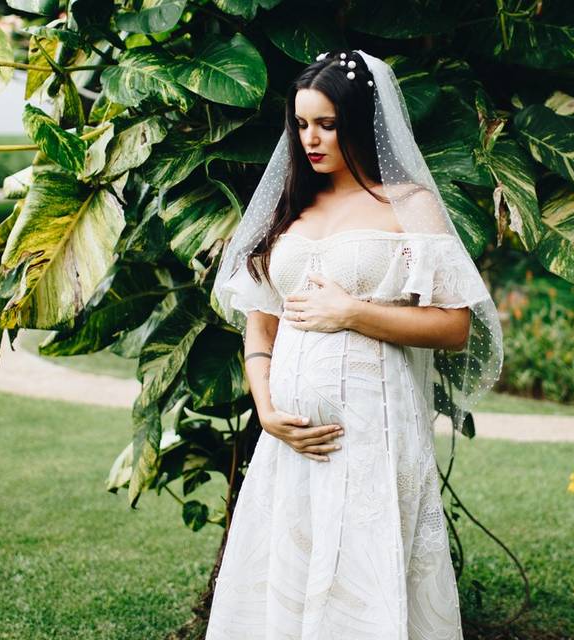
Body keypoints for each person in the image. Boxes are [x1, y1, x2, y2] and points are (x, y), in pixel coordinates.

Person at [209, 49, 503, 639]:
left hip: (375, 432)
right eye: (300, 124)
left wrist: (353, 311)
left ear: (361, 122)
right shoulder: (292, 208)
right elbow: (262, 324)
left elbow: (455, 326)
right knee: (285, 579)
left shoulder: (408, 204)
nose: (310, 139)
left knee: (363, 577)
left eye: (327, 124)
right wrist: (266, 409)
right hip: (291, 443)